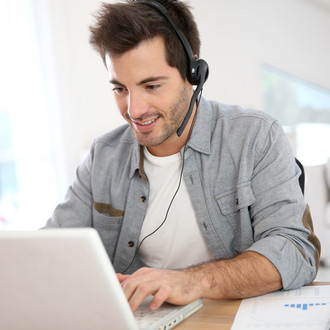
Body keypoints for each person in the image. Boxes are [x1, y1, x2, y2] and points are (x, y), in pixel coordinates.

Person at [44, 0, 321, 313]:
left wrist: (191, 281)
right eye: (120, 89)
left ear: (194, 74)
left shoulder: (255, 137)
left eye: (151, 85)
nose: (134, 110)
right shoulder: (103, 157)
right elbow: (49, 252)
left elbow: (296, 252)